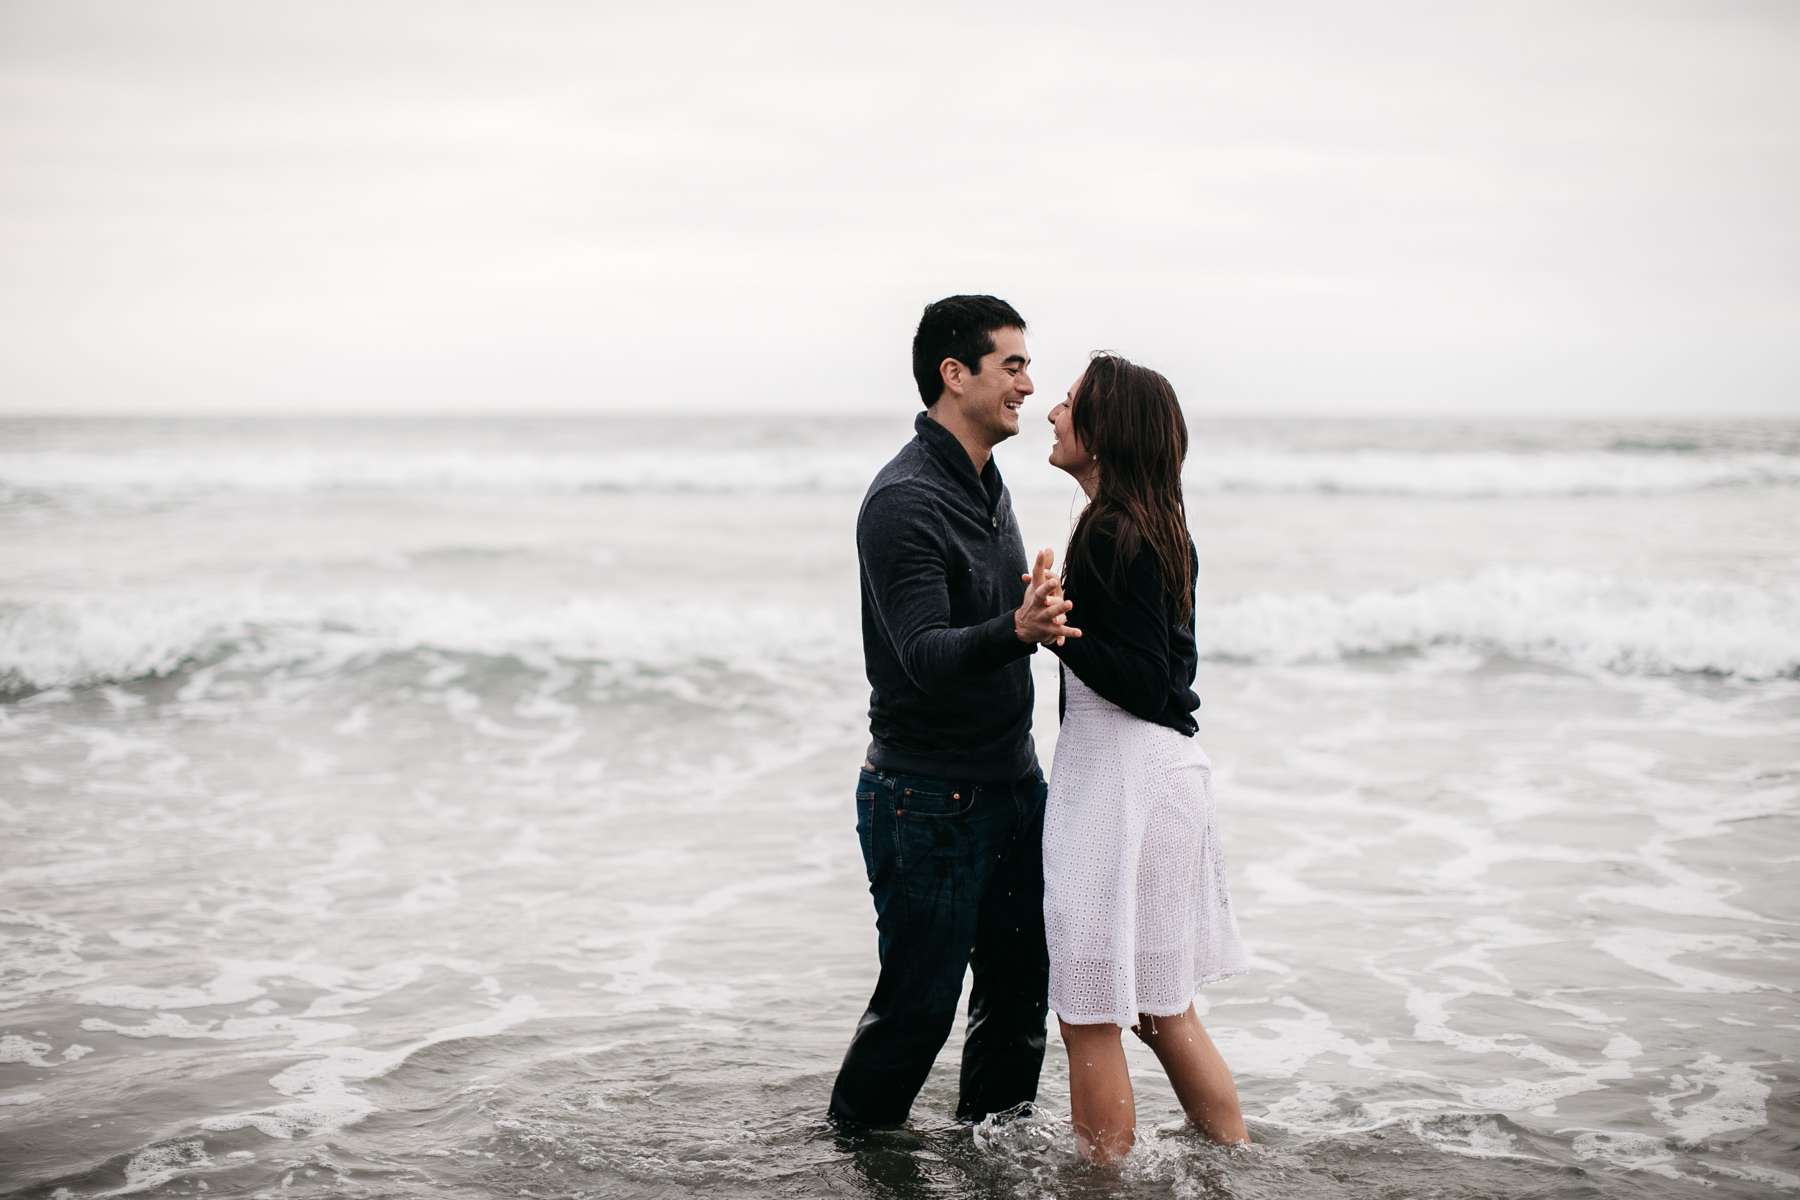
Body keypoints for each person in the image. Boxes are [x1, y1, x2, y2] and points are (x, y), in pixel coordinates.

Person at [828, 295, 1080, 1130]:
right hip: (927, 799)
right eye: (1012, 366)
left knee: (1016, 1010)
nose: (1028, 384)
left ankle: (990, 1169)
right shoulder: (904, 499)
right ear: (955, 373)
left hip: (1012, 785)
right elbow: (925, 655)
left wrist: (1033, 615)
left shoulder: (986, 480)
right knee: (915, 1014)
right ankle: (856, 1165)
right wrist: (1016, 628)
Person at [1041, 353, 1249, 1163]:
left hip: (1119, 787)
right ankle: (1235, 1164)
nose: (1054, 413)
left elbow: (1144, 680)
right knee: (1165, 1010)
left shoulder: (1107, 531)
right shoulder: (1162, 527)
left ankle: (1102, 1184)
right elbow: (1173, 678)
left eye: (1070, 404)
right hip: (1167, 778)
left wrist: (1058, 631)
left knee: (1089, 1014)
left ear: (1105, 432)